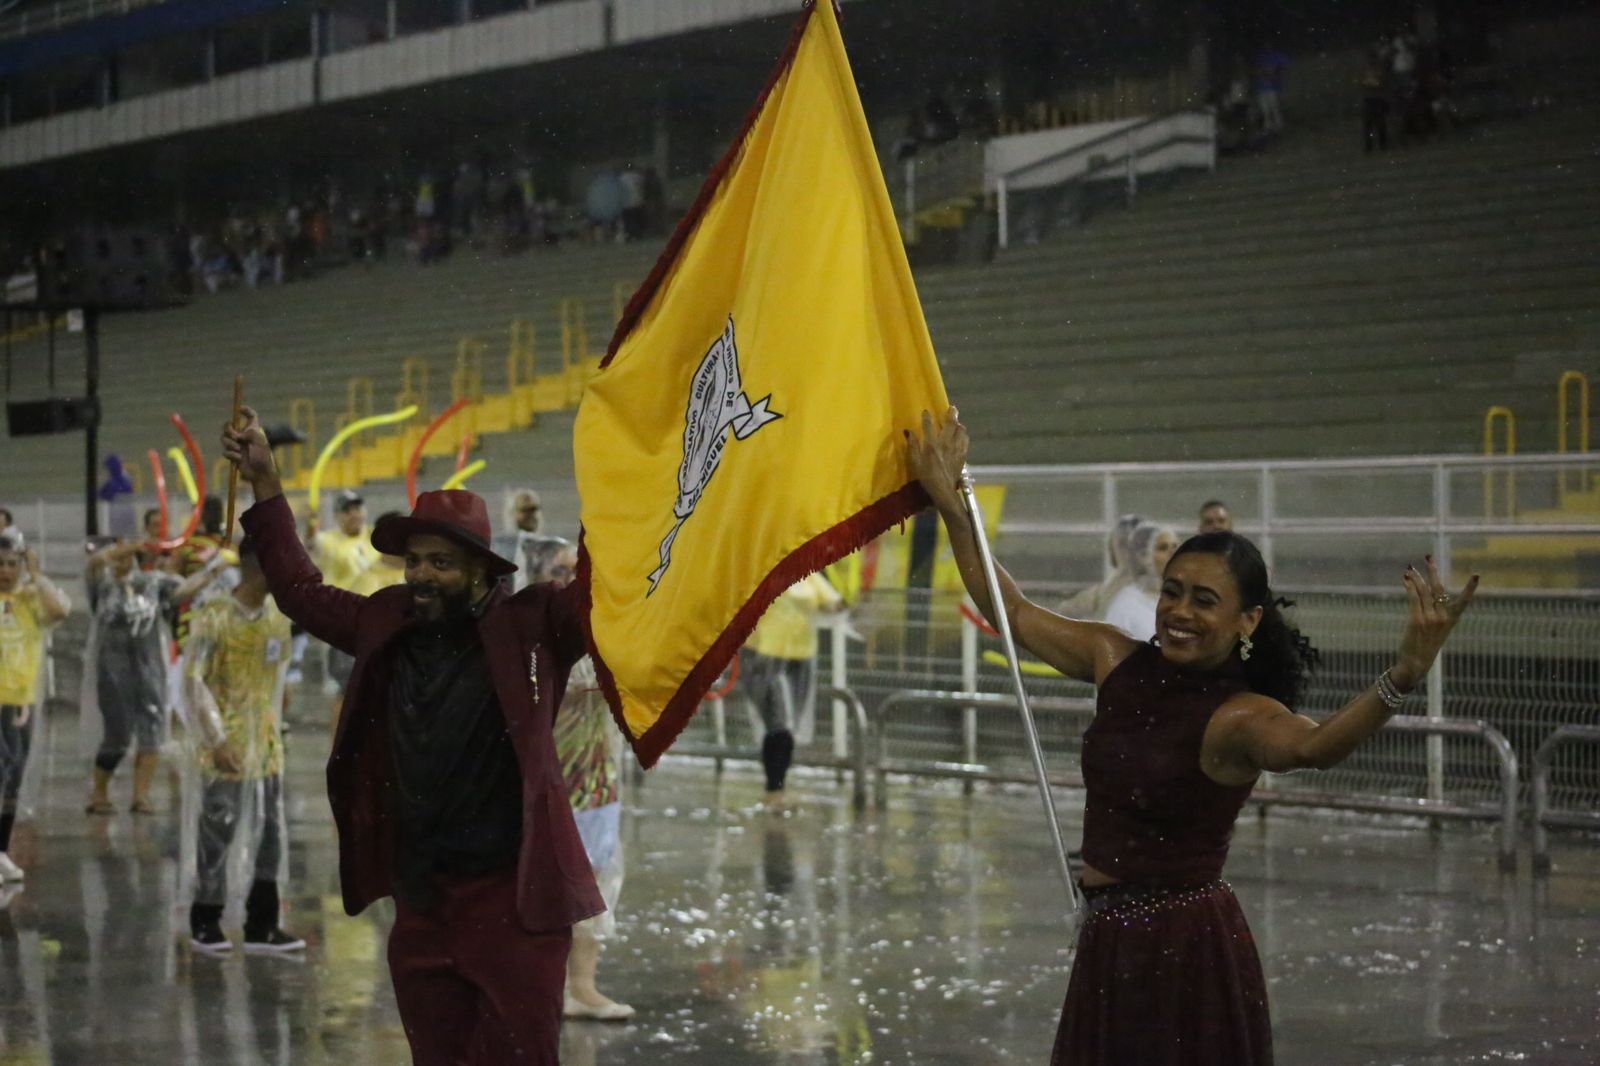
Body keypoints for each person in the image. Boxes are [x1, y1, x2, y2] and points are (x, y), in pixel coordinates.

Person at [907, 406, 1478, 1066]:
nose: (1179, 611)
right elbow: (1008, 609)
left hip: (1182, 951)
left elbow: (1315, 747)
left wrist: (1403, 674)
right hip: (1106, 940)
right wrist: (953, 505)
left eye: (1204, 601)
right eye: (1172, 592)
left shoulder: (1240, 715)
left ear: (1247, 619)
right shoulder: (1113, 657)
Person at [224, 406, 602, 1066]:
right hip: (422, 902)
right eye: (414, 562)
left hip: (513, 904)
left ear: (482, 572)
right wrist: (265, 483)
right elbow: (300, 590)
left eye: (441, 564)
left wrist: (617, 486)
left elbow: (606, 591)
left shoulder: (532, 624)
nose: (421, 575)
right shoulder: (387, 622)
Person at [525, 537, 634, 1022]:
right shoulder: (528, 639)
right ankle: (536, 987)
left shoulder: (605, 635)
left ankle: (582, 988)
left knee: (595, 887)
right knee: (535, 889)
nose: (572, 580)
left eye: (579, 571)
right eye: (560, 570)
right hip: (541, 790)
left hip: (597, 788)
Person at [181, 537, 305, 954]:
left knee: (270, 835)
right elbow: (193, 680)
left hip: (265, 748)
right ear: (257, 565)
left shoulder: (277, 618)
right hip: (225, 749)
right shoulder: (214, 615)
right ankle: (205, 920)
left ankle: (262, 924)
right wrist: (216, 739)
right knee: (217, 832)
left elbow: (276, 680)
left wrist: (274, 734)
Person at [83, 540, 222, 815]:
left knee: (152, 732)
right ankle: (99, 792)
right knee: (117, 735)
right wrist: (113, 552)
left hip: (150, 670)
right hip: (113, 673)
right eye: (116, 555)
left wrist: (212, 572)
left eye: (126, 554)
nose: (121, 559)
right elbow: (93, 564)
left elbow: (183, 590)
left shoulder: (153, 583)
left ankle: (141, 795)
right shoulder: (101, 585)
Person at [740, 571, 844, 809]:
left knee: (785, 726)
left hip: (800, 657)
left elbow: (832, 603)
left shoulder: (807, 573)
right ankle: (774, 791)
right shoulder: (757, 567)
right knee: (780, 723)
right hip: (763, 656)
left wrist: (839, 607)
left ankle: (776, 789)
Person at [0, 537, 70, 881]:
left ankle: (1, 851)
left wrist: (37, 575)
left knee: (13, 777)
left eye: (12, 564)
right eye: (0, 564)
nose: (6, 571)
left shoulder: (29, 599)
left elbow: (58, 611)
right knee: (2, 767)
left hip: (20, 702)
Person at [1101, 522, 1179, 642]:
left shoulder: (1186, 599)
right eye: (1163, 548)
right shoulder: (1126, 605)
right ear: (1143, 557)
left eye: (1175, 546)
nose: (1172, 553)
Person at [1058, 514, 1145, 619]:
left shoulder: (1156, 586)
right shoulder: (1107, 589)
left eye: (1134, 545)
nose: (1128, 553)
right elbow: (1066, 610)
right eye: (1123, 545)